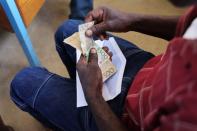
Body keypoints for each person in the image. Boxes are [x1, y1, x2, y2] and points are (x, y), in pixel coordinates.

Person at [10, 0, 197, 130]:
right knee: (68, 30)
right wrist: (132, 20)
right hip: (148, 69)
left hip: (124, 120)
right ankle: (78, 96)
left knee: (22, 82)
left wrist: (93, 95)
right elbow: (191, 25)